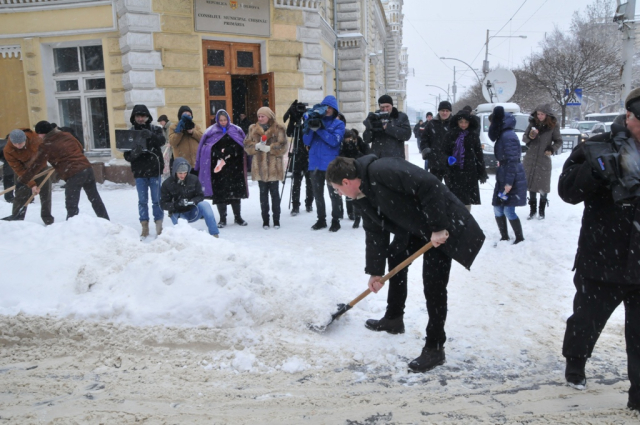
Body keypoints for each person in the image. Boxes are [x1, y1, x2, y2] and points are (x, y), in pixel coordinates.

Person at [326, 155, 485, 372]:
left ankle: (435, 347)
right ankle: (394, 318)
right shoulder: (362, 195)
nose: (339, 193)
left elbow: (430, 186)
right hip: (417, 226)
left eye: (337, 189)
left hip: (443, 225)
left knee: (434, 284)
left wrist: (437, 227)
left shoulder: (383, 170)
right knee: (395, 258)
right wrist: (374, 272)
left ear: (347, 182)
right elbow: (375, 232)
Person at [558, 88, 640, 412]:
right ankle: (575, 362)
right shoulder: (597, 146)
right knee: (586, 321)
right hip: (603, 257)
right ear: (630, 117)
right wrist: (593, 172)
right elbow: (567, 191)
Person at [20, 121, 109, 221]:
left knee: (71, 204)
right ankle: (105, 221)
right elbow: (80, 149)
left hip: (74, 173)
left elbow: (37, 165)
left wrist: (24, 179)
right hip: (87, 169)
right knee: (94, 198)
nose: (38, 136)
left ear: (43, 133)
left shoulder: (46, 145)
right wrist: (62, 160)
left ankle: (72, 227)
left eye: (38, 134)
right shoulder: (66, 135)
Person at [195, 109, 248, 227]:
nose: (223, 122)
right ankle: (222, 219)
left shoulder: (236, 130)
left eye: (225, 120)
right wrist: (216, 152)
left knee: (235, 193)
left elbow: (242, 145)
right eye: (221, 120)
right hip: (218, 169)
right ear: (217, 120)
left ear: (228, 119)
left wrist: (232, 150)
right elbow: (205, 147)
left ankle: (238, 217)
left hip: (234, 167)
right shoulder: (211, 131)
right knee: (220, 194)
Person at [303, 95, 345, 232]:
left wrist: (320, 130)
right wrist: (309, 126)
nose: (327, 110)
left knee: (334, 194)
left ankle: (336, 220)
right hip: (315, 164)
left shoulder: (338, 124)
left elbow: (334, 141)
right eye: (325, 107)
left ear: (334, 110)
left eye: (330, 108)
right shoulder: (315, 120)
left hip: (331, 165)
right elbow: (306, 141)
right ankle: (321, 219)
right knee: (317, 194)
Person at [124, 104, 166, 238]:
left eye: (143, 116)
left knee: (156, 200)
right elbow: (127, 155)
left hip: (154, 170)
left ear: (147, 117)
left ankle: (159, 226)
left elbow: (162, 141)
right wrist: (134, 154)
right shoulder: (130, 133)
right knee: (142, 200)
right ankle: (144, 226)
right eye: (138, 116)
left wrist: (151, 135)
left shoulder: (156, 129)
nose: (141, 119)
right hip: (139, 172)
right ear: (134, 117)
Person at [244, 107, 288, 229]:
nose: (260, 118)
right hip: (260, 168)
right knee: (263, 196)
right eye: (259, 116)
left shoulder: (279, 128)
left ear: (269, 116)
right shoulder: (253, 129)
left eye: (262, 116)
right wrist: (256, 146)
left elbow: (284, 146)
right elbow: (247, 145)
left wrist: (271, 148)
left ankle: (276, 219)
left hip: (274, 167)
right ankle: (265, 220)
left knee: (275, 194)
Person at [489, 106, 527, 244]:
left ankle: (519, 238)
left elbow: (512, 161)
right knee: (498, 208)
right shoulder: (503, 135)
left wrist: (509, 182)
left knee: (508, 210)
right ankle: (504, 236)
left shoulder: (508, 136)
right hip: (503, 174)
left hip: (511, 176)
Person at [3, 128, 54, 224]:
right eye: (16, 144)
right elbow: (19, 169)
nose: (19, 146)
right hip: (23, 170)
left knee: (45, 193)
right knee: (20, 194)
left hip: (40, 167)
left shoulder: (35, 139)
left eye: (21, 143)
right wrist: (32, 184)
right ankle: (16, 218)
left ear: (25, 139)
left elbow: (47, 152)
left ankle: (47, 218)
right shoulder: (8, 150)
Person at [160, 157, 219, 238]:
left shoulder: (193, 179)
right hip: (178, 213)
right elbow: (163, 204)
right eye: (180, 173)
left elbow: (200, 195)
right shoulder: (167, 184)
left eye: (185, 173)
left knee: (205, 205)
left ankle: (214, 234)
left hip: (193, 210)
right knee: (183, 234)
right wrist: (176, 204)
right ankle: (186, 240)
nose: (183, 175)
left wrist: (193, 201)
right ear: (175, 172)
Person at [522, 104, 563, 219]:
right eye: (538, 114)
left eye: (542, 114)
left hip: (543, 159)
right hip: (530, 159)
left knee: (543, 186)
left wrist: (552, 149)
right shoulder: (532, 124)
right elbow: (524, 139)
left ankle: (541, 211)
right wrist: (530, 136)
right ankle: (532, 211)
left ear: (547, 115)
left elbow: (559, 141)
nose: (539, 116)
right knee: (531, 185)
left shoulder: (553, 126)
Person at [444, 111, 488, 211]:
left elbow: (478, 154)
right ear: (457, 122)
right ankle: (455, 219)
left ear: (470, 123)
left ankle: (465, 220)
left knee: (467, 199)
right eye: (461, 122)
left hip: (469, 171)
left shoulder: (473, 135)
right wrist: (447, 159)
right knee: (454, 198)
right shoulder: (450, 135)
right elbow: (444, 151)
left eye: (466, 122)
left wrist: (482, 171)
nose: (463, 124)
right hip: (454, 171)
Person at [283, 100, 314, 216]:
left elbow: (312, 131)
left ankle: (309, 203)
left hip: (309, 153)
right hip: (297, 154)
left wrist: (306, 119)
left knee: (310, 181)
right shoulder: (295, 119)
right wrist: (292, 119)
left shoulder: (309, 118)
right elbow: (289, 133)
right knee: (296, 182)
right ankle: (295, 205)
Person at [363, 94, 412, 159]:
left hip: (395, 159)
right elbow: (367, 140)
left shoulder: (401, 117)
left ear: (392, 105)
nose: (385, 109)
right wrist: (368, 128)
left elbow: (406, 135)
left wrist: (388, 127)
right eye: (382, 107)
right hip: (378, 159)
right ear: (379, 106)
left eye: (387, 106)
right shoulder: (375, 118)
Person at [339, 128, 370, 228]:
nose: (350, 141)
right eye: (347, 139)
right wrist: (348, 150)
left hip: (361, 172)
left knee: (361, 195)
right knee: (349, 195)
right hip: (349, 172)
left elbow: (367, 156)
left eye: (351, 139)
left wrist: (356, 152)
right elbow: (342, 158)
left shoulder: (362, 144)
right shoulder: (343, 146)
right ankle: (351, 213)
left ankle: (359, 216)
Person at [421, 101, 453, 181]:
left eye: (447, 111)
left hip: (450, 163)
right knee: (435, 189)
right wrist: (427, 151)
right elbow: (424, 139)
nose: (445, 113)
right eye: (442, 110)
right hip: (435, 162)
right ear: (439, 111)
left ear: (450, 112)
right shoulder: (431, 124)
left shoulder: (454, 124)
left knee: (451, 190)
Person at [157, 114, 173, 180]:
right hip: (168, 148)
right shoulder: (164, 128)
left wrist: (170, 143)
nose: (160, 123)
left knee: (172, 163)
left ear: (164, 121)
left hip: (172, 149)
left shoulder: (170, 126)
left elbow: (172, 137)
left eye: (161, 122)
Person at [0, 136, 15, 203]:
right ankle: (9, 197)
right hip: (5, 152)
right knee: (9, 174)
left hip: (6, 152)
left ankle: (27, 196)